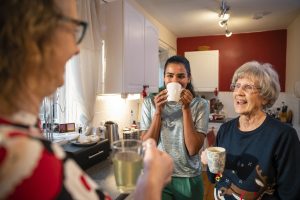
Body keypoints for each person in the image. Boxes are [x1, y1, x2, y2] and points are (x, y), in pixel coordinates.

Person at [0, 0, 173, 199]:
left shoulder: (23, 138)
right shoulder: (20, 157)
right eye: (73, 30)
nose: (77, 49)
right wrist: (152, 181)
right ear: (34, 33)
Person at [201, 61, 300, 199]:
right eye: (237, 86)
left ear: (264, 97)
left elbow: (290, 194)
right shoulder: (225, 130)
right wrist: (209, 162)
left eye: (248, 87)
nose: (239, 92)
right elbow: (215, 178)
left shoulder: (283, 136)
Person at [140, 55, 210, 200]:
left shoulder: (200, 105)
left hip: (188, 178)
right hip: (159, 176)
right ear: (164, 78)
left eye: (181, 76)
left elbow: (192, 149)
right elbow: (147, 145)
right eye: (169, 76)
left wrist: (186, 108)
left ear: (188, 78)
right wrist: (158, 112)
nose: (175, 81)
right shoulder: (150, 102)